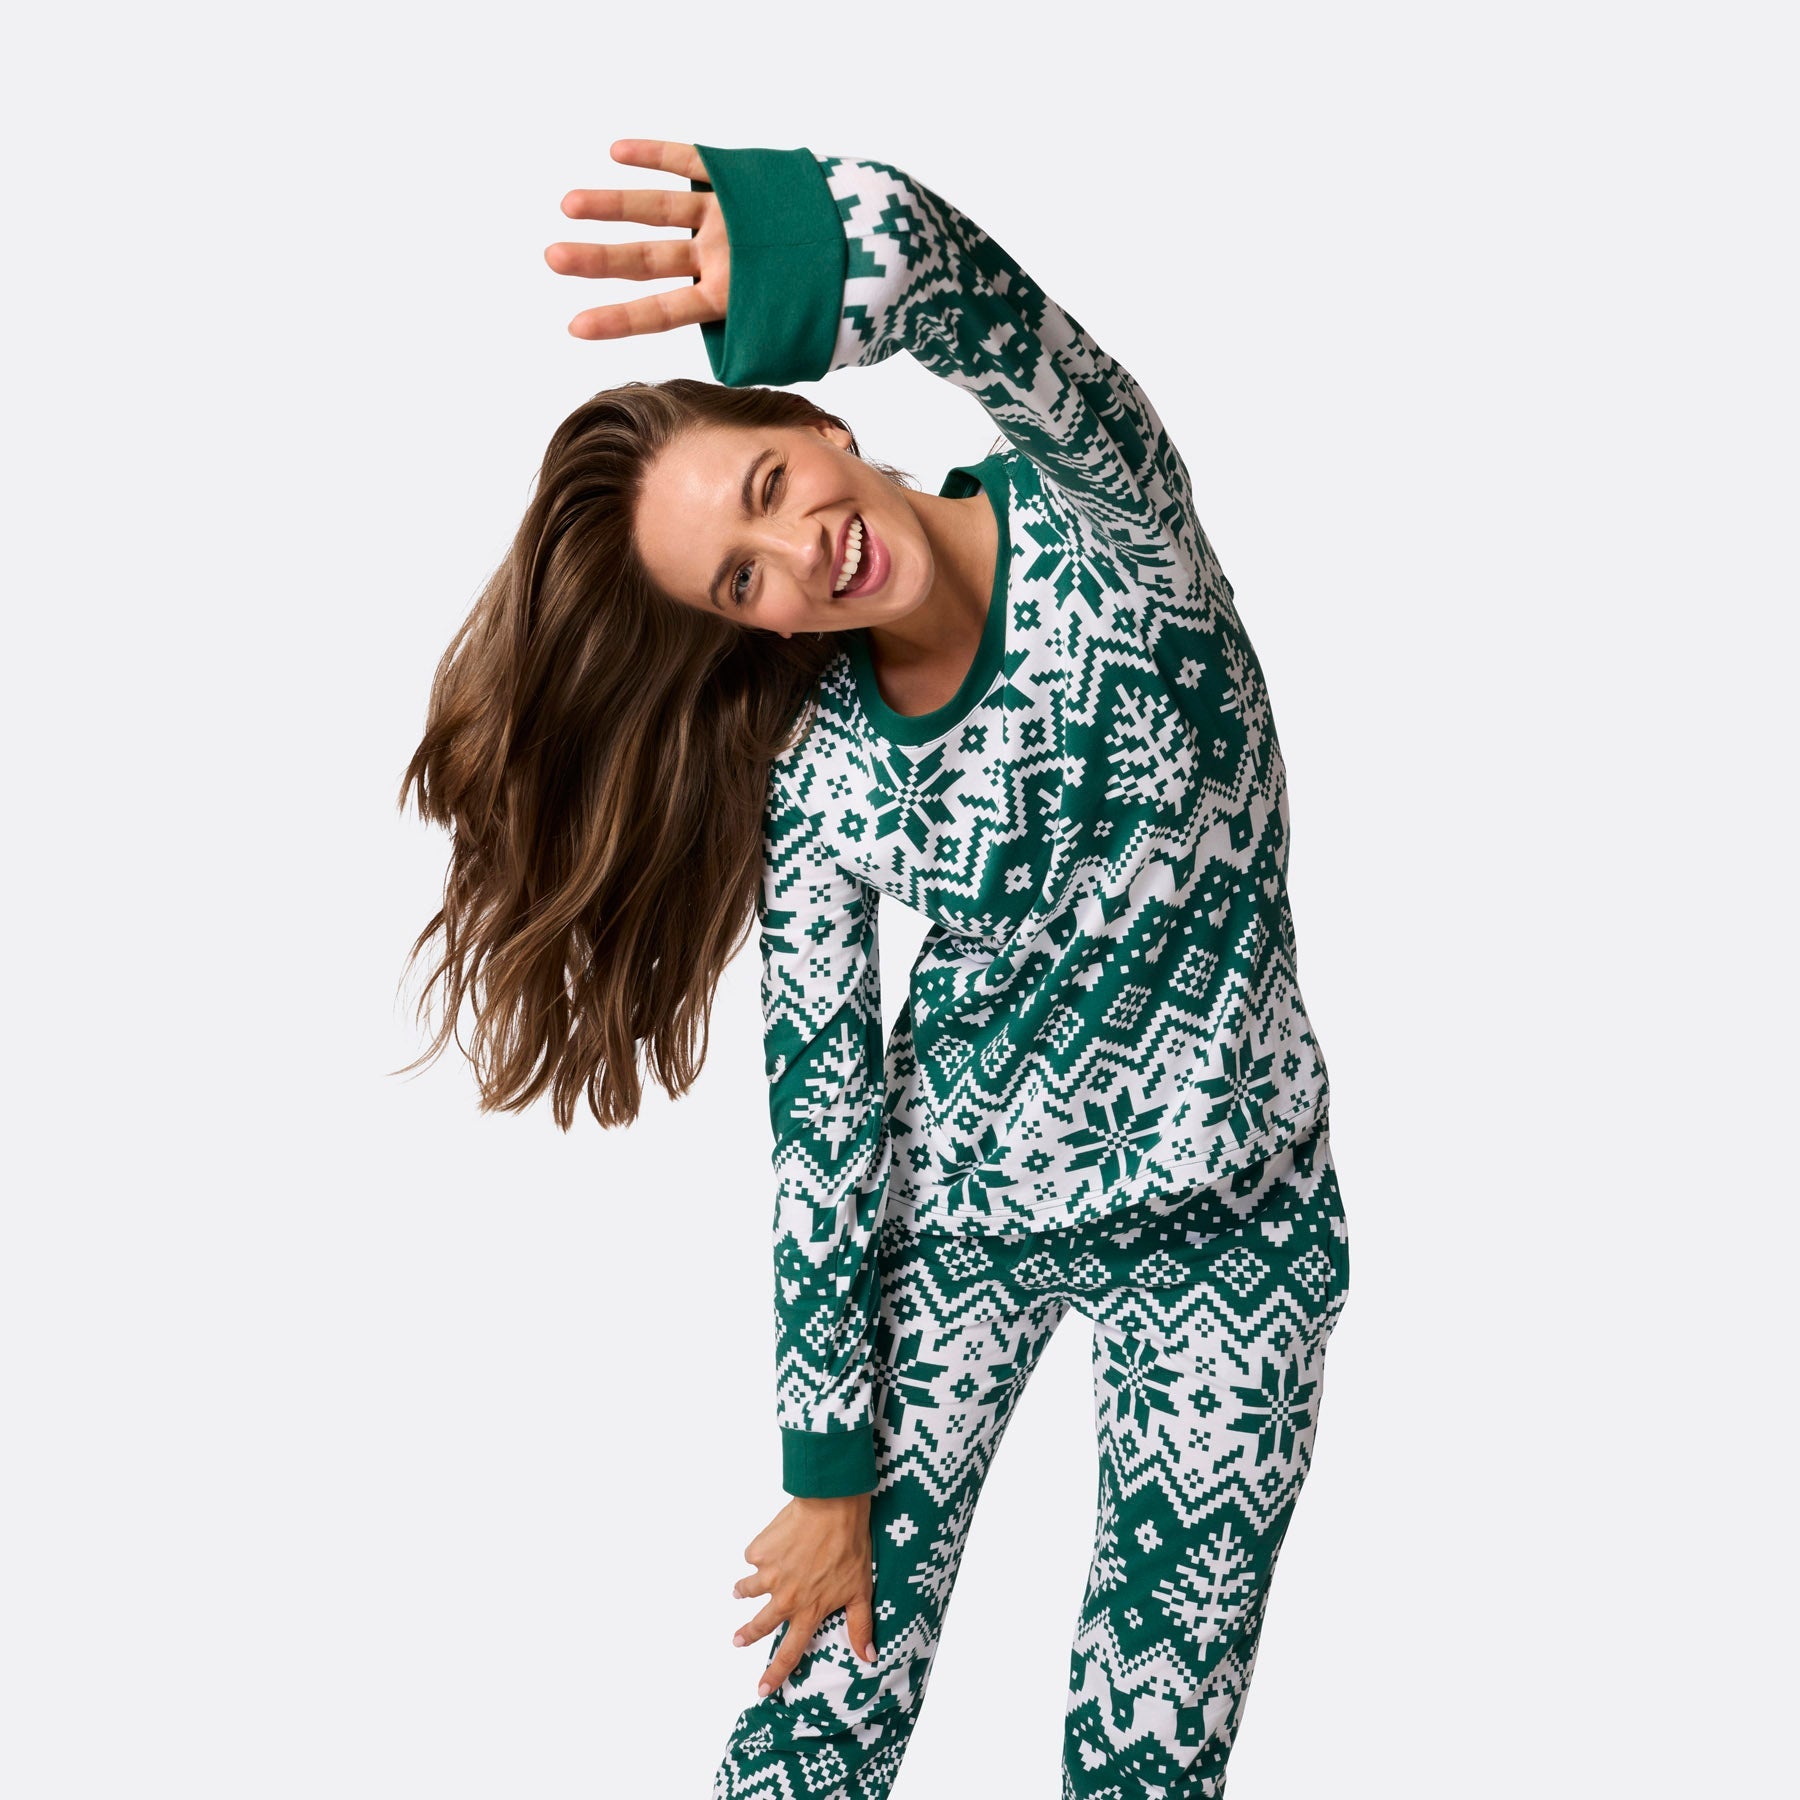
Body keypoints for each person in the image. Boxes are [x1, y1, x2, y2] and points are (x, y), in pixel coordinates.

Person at [398, 136, 1352, 1799]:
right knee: (811, 1726)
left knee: (1146, 1755)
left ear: (821, 422)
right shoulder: (822, 775)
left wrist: (820, 252)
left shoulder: (1105, 523)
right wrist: (827, 1464)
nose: (799, 556)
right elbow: (826, 1119)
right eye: (742, 578)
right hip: (956, 1224)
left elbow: (1001, 321)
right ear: (752, 629)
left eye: (771, 488)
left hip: (1236, 1226)